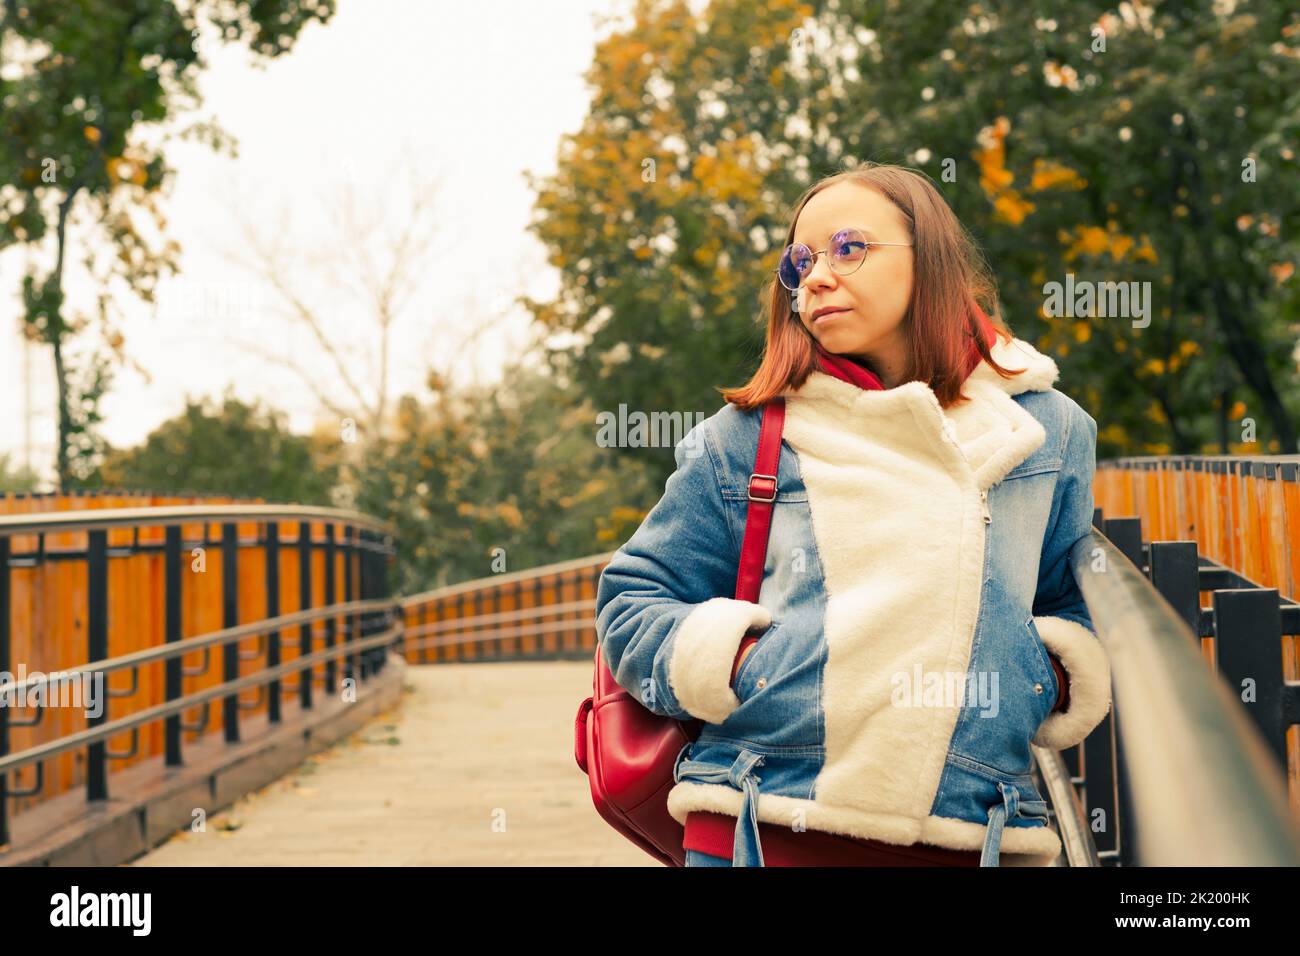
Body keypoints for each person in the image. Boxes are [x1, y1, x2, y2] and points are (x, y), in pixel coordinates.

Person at [594, 163, 1112, 867]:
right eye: (800, 262)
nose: (816, 277)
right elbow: (630, 602)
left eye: (849, 249)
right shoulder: (746, 435)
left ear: (928, 259)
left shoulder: (1049, 431)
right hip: (762, 816)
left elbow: (1064, 600)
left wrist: (1039, 678)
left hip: (973, 828)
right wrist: (747, 666)